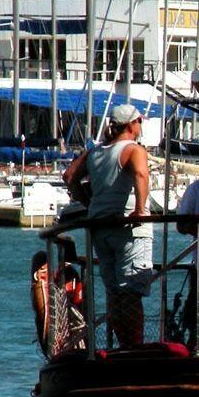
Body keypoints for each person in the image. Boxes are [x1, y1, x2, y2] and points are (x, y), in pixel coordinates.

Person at [63, 104, 152, 347]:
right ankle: (135, 348)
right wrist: (140, 209)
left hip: (100, 227)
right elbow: (141, 175)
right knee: (131, 291)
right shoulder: (134, 150)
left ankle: (123, 346)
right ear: (132, 124)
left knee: (114, 292)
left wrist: (89, 201)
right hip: (127, 229)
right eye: (139, 121)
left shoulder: (96, 152)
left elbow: (69, 176)